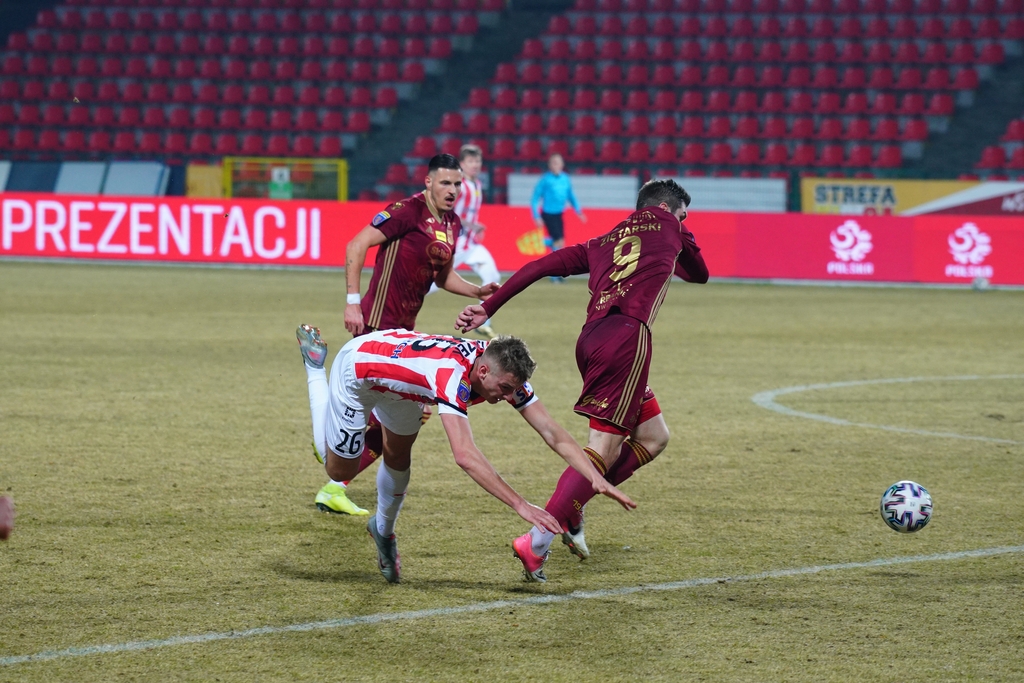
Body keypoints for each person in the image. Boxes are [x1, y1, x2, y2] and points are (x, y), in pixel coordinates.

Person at [457, 179, 709, 582]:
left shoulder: (603, 242)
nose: (683, 221)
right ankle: (537, 541)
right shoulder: (671, 225)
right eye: (682, 214)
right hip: (626, 338)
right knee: (603, 449)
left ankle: (575, 502)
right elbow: (700, 274)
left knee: (653, 436)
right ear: (667, 209)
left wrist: (489, 307)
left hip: (591, 339)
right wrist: (680, 229)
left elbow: (540, 266)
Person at [296, 325, 636, 583]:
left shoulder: (499, 367)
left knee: (398, 457)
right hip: (358, 373)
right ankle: (314, 368)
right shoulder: (451, 374)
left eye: (513, 390)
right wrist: (521, 505)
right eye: (505, 389)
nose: (508, 397)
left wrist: (594, 477)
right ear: (483, 372)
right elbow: (464, 455)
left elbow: (551, 431)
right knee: (338, 468)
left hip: (403, 385)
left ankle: (383, 531)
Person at [314, 153, 501, 517]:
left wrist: (476, 291)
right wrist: (352, 303)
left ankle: (334, 475)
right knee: (404, 415)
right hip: (375, 326)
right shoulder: (407, 211)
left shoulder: (453, 224)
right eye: (445, 183)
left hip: (403, 334)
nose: (452, 190)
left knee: (403, 418)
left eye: (457, 184)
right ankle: (330, 450)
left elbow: (442, 277)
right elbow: (356, 245)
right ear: (428, 182)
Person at [450, 144, 501, 339]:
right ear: (462, 164)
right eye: (470, 161)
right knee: (429, 285)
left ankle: (483, 321)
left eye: (477, 161)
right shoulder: (459, 185)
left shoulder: (477, 184)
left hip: (471, 244)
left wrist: (474, 227)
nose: (475, 165)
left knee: (492, 275)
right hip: (454, 244)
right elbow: (449, 212)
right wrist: (472, 225)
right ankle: (392, 308)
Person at [530, 154, 587, 277]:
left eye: (558, 162)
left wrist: (578, 211)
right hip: (548, 214)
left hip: (559, 214)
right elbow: (534, 199)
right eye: (553, 162)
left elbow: (571, 196)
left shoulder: (565, 179)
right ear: (550, 165)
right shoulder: (545, 180)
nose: (556, 165)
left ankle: (543, 243)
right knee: (559, 242)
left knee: (559, 243)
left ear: (562, 164)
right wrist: (536, 216)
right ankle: (555, 275)